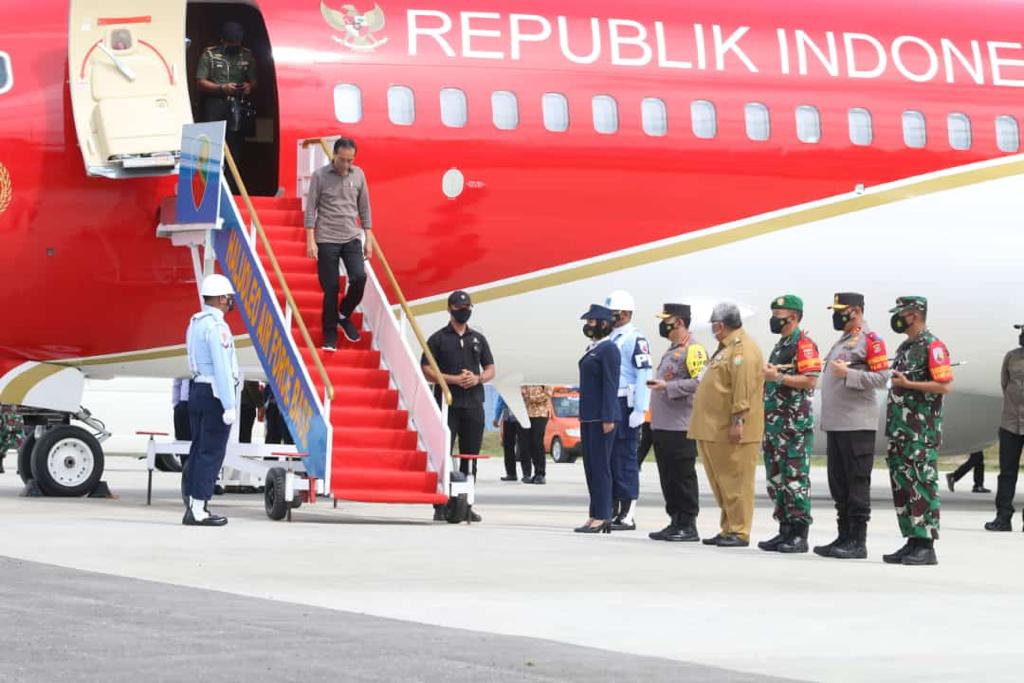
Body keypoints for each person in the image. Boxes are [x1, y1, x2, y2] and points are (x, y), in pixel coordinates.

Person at [814, 292, 890, 560]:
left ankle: (858, 541)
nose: (835, 315)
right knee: (839, 483)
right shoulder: (844, 341)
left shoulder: (871, 341)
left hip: (857, 424)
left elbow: (882, 377)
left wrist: (850, 374)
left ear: (855, 311)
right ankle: (843, 535)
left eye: (840, 310)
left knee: (856, 482)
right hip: (836, 424)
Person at [882, 296, 953, 565]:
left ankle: (926, 544)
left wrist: (910, 384)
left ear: (914, 315)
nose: (898, 318)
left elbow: (944, 386)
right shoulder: (905, 346)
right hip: (900, 430)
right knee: (903, 486)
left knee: (922, 484)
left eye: (901, 313)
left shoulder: (933, 347)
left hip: (920, 431)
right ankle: (912, 539)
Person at [689, 302, 765, 548]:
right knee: (723, 483)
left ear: (720, 325)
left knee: (736, 483)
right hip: (714, 428)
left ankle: (740, 531)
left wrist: (737, 420)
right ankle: (728, 527)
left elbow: (742, 388)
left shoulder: (742, 350)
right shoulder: (726, 348)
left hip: (731, 429)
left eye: (714, 325)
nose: (713, 329)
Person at [422, 290, 495, 522]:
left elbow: (491, 368)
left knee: (469, 457)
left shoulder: (478, 339)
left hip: (473, 404)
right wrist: (452, 380)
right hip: (447, 404)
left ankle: (467, 503)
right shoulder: (438, 338)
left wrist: (477, 378)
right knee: (442, 454)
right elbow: (426, 368)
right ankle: (440, 504)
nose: (463, 312)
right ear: (449, 309)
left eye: (467, 308)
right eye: (459, 308)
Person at [759, 295, 821, 554]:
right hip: (775, 425)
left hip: (793, 425)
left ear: (793, 317)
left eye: (778, 314)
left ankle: (798, 533)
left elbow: (810, 380)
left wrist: (779, 377)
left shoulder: (804, 345)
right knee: (776, 479)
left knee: (795, 479)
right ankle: (784, 528)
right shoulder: (781, 344)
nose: (774, 318)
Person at [304, 137, 373, 350]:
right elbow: (310, 209)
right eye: (342, 160)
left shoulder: (359, 174)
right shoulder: (320, 176)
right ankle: (329, 335)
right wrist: (310, 240)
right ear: (334, 155)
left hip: (351, 236)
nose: (346, 165)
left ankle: (343, 314)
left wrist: (368, 238)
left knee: (359, 277)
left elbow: (365, 209)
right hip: (326, 238)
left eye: (350, 160)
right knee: (331, 287)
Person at [183, 274, 240, 527]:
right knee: (211, 452)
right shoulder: (218, 328)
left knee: (197, 449)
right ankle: (199, 507)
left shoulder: (196, 322)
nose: (230, 302)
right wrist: (229, 404)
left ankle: (192, 503)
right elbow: (223, 369)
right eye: (228, 298)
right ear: (219, 298)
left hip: (197, 389)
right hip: (215, 393)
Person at [647, 303, 707, 542]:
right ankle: (675, 521)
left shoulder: (694, 350)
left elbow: (701, 383)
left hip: (680, 424)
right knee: (668, 476)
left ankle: (688, 524)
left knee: (682, 476)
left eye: (667, 320)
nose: (663, 325)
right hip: (663, 424)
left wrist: (667, 387)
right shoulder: (672, 350)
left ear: (679, 322)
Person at [604, 290, 653, 530]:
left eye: (612, 314)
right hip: (610, 403)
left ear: (624, 314)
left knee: (625, 458)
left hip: (626, 403)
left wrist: (640, 409)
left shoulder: (636, 339)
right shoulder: (610, 338)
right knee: (611, 458)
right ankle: (613, 508)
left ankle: (627, 514)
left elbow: (644, 373)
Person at [576, 304, 621, 534]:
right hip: (588, 416)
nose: (587, 326)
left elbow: (610, 385)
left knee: (601, 467)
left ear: (604, 323)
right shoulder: (593, 348)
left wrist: (608, 416)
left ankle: (603, 515)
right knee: (591, 467)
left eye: (591, 322)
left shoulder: (609, 349)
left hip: (602, 417)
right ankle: (594, 513)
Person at [195, 21, 257, 173]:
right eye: (232, 41)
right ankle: (211, 181)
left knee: (235, 144)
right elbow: (200, 82)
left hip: (237, 104)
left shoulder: (247, 55)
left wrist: (249, 86)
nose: (235, 44)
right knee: (212, 144)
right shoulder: (210, 55)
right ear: (223, 39)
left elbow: (254, 81)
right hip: (214, 104)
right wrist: (222, 88)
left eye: (237, 41)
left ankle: (232, 184)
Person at [985, 324, 1024, 531]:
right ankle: (1003, 517)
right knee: (1007, 473)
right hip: (1010, 423)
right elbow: (1004, 383)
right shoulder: (1011, 357)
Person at [518, 385, 553, 485]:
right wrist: (528, 396)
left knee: (537, 442)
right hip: (525, 413)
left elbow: (548, 393)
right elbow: (521, 392)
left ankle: (540, 474)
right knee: (524, 444)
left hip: (540, 414)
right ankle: (526, 473)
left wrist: (531, 398)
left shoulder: (543, 378)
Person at [493, 394, 520, 481]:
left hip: (510, 415)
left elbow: (500, 402)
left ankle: (511, 473)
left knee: (508, 445)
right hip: (515, 415)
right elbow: (500, 401)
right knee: (514, 445)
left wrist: (496, 417)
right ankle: (525, 474)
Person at [0, 404, 26, 474]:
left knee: (22, 447)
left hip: (16, 435)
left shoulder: (17, 415)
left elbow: (19, 428)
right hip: (4, 436)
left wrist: (8, 429)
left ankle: (21, 467)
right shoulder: (2, 415)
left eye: (11, 406)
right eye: (4, 406)